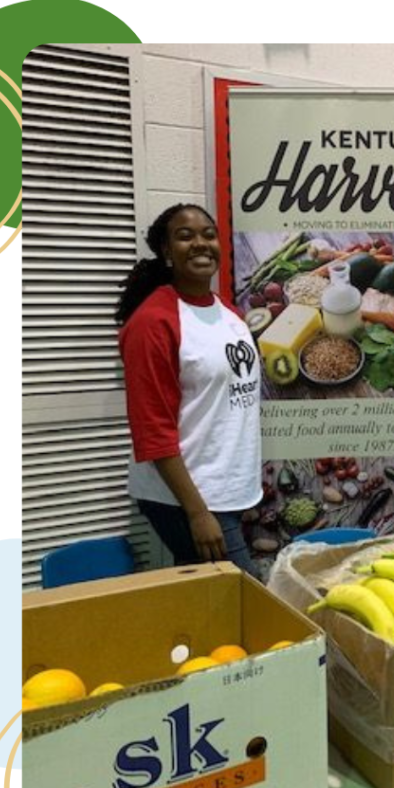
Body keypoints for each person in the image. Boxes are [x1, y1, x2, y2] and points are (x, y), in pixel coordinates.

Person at [117, 204, 261, 573]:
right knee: (249, 606)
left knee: (209, 606)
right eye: (185, 236)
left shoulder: (228, 312)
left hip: (224, 488)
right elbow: (153, 430)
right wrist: (197, 513)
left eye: (208, 234)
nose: (200, 243)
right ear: (166, 251)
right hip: (187, 498)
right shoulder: (153, 322)